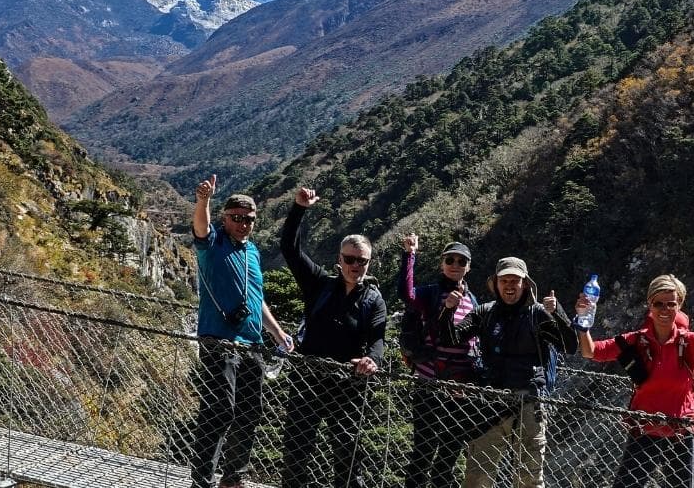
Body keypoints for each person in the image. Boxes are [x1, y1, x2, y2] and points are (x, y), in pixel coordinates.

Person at [574, 276, 694, 488]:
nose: (664, 309)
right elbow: (591, 351)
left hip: (681, 431)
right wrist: (583, 322)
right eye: (658, 303)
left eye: (671, 304)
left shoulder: (689, 342)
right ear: (649, 305)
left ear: (679, 306)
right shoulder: (635, 340)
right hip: (644, 429)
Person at [277, 187, 387, 488]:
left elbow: (378, 338)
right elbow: (290, 249)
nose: (355, 266)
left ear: (368, 263)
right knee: (297, 455)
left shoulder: (374, 300)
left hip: (348, 386)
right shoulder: (319, 284)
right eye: (350, 259)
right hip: (307, 380)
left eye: (361, 261)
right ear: (340, 259)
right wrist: (299, 209)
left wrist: (372, 360)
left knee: (349, 458)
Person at [187, 176, 292, 488]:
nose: (244, 224)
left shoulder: (253, 252)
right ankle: (202, 480)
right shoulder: (213, 243)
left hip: (251, 342)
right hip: (218, 338)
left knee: (250, 411)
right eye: (237, 218)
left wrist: (276, 333)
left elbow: (256, 301)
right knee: (220, 409)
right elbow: (200, 229)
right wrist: (203, 200)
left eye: (249, 219)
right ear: (225, 218)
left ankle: (234, 478)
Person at [438, 257, 573, 488]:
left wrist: (558, 312)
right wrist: (448, 311)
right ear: (496, 284)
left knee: (529, 477)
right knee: (478, 475)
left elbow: (569, 346)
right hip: (490, 400)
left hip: (529, 401)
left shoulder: (538, 314)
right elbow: (451, 337)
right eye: (504, 280)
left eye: (515, 280)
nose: (510, 285)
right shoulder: (485, 312)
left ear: (525, 284)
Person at [395, 233, 483, 488]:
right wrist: (410, 254)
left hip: (461, 388)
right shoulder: (431, 293)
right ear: (442, 263)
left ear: (468, 267)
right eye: (450, 260)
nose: (455, 265)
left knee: (449, 452)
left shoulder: (472, 300)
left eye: (461, 261)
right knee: (423, 449)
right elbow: (406, 294)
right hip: (429, 381)